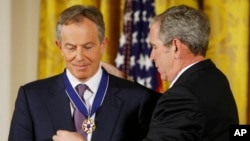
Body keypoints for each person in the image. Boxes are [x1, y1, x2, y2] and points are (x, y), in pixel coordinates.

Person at [8, 5, 160, 141]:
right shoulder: (32, 97)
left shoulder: (137, 99)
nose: (79, 57)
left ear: (103, 45)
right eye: (71, 47)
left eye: (88, 47)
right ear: (59, 47)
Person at [103, 4, 239, 141]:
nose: (152, 56)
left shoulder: (183, 97)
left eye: (155, 47)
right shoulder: (214, 77)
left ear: (175, 47)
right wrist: (127, 83)